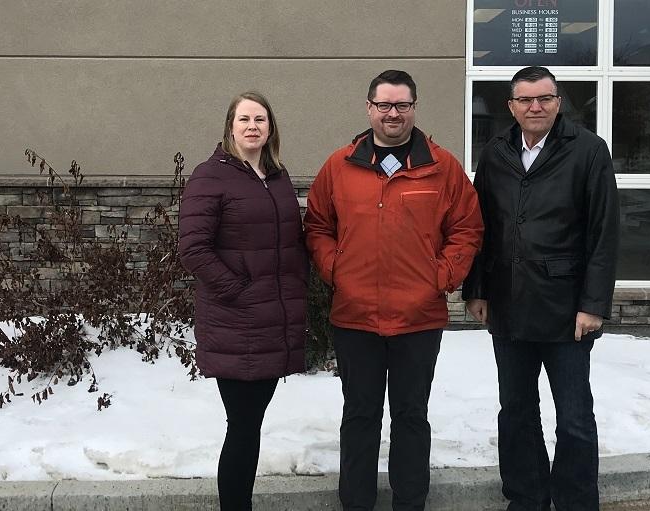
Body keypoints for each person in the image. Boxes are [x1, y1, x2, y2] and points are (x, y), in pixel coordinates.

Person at [304, 69, 483, 511]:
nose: (392, 113)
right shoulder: (339, 166)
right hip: (356, 316)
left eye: (402, 105)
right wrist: (336, 269)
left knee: (410, 417)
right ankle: (357, 502)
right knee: (360, 417)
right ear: (369, 109)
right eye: (384, 105)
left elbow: (467, 229)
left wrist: (440, 277)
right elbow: (318, 227)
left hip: (417, 319)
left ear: (414, 109)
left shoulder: (442, 168)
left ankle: (410, 502)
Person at [462, 66, 620, 511]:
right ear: (511, 106)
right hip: (508, 306)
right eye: (525, 100)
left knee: (573, 419)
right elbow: (481, 225)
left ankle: (575, 501)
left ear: (558, 102)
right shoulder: (495, 152)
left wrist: (593, 304)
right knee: (516, 413)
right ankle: (526, 498)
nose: (535, 107)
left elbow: (604, 232)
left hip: (567, 310)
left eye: (544, 98)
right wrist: (477, 288)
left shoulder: (588, 150)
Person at [178, 91, 307, 511]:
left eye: (260, 119)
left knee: (249, 425)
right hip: (236, 323)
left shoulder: (276, 175)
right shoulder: (210, 176)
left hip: (272, 321)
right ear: (230, 126)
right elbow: (193, 249)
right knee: (244, 426)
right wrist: (240, 292)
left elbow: (288, 244)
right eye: (244, 119)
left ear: (271, 128)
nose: (253, 126)